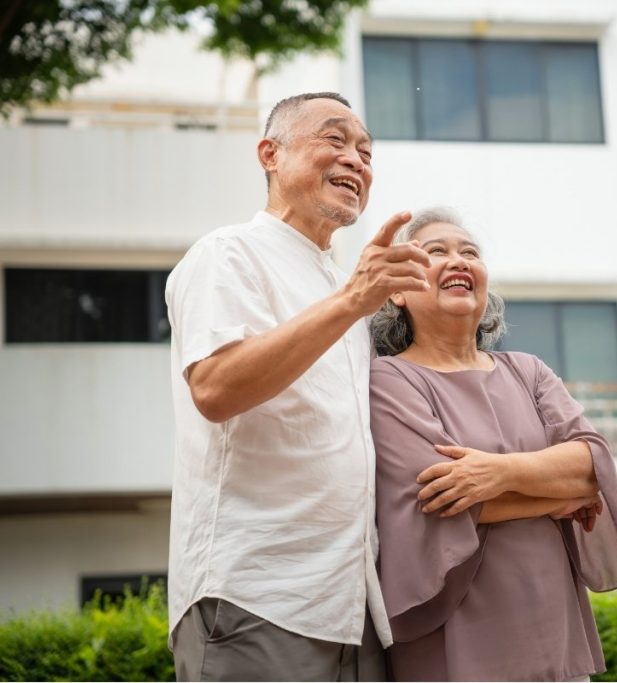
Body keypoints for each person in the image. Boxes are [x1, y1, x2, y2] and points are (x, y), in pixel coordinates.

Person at [164, 92, 432, 681]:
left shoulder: (346, 286)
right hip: (254, 595)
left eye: (366, 152)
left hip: (354, 604)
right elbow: (214, 388)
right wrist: (351, 300)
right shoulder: (227, 253)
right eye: (334, 140)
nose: (357, 161)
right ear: (270, 154)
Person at [369, 208, 617, 681]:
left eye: (469, 252)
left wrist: (498, 473)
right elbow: (438, 498)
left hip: (553, 623)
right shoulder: (389, 379)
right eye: (436, 252)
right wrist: (558, 496)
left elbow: (592, 462)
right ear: (398, 292)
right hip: (454, 635)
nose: (458, 260)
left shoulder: (528, 371)